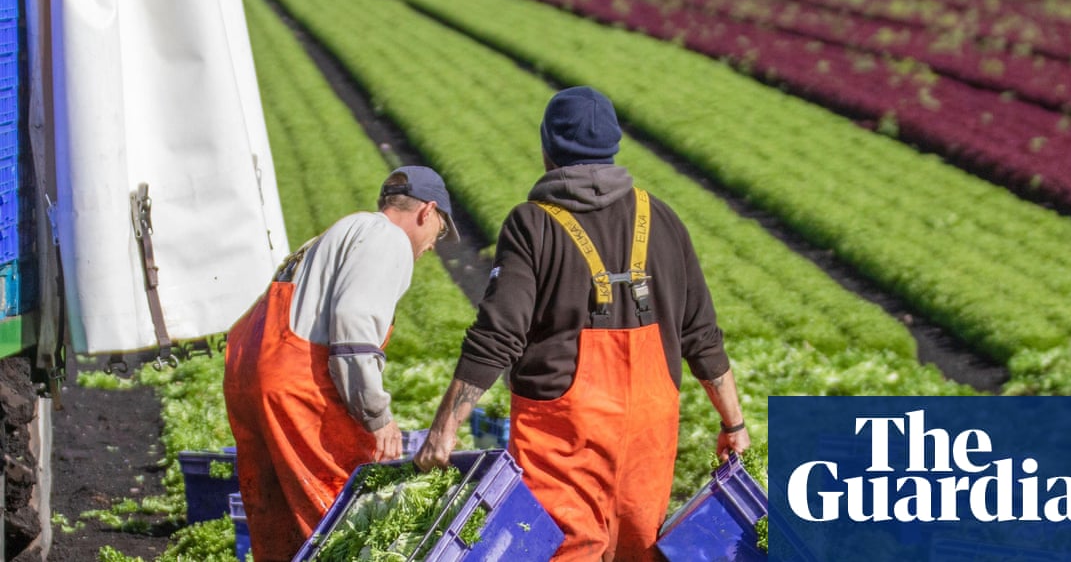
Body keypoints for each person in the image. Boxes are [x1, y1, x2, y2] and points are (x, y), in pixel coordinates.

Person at [414, 86, 751, 561]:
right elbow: (703, 335)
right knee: (639, 548)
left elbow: (497, 336)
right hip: (649, 431)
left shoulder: (533, 225)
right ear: (613, 146)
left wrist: (444, 430)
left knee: (565, 550)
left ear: (547, 149)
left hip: (564, 437)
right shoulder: (662, 219)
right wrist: (733, 422)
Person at [223, 165, 459, 562]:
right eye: (440, 229)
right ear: (427, 211)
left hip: (249, 376)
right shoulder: (388, 239)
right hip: (295, 389)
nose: (434, 243)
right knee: (340, 523)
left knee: (277, 524)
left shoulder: (336, 234)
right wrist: (377, 416)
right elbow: (353, 329)